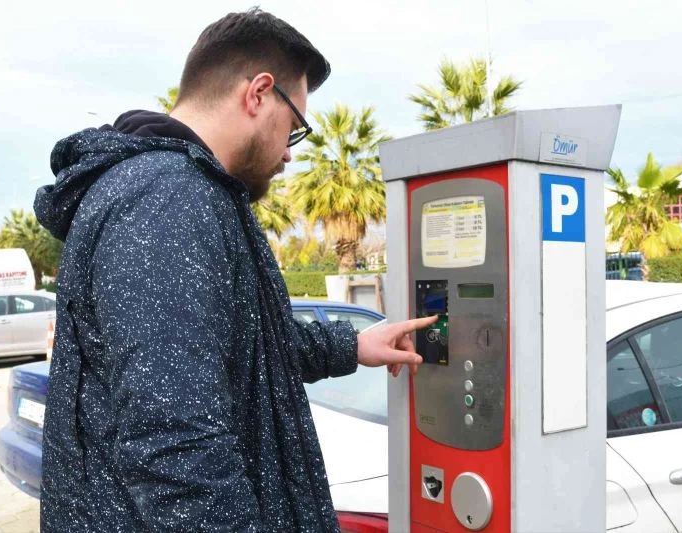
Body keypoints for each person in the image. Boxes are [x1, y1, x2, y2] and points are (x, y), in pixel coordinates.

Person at [34, 8, 435, 532]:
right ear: (259, 94)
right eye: (294, 128)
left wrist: (353, 346)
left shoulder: (172, 191)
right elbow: (176, 448)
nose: (289, 155)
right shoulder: (167, 200)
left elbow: (238, 342)